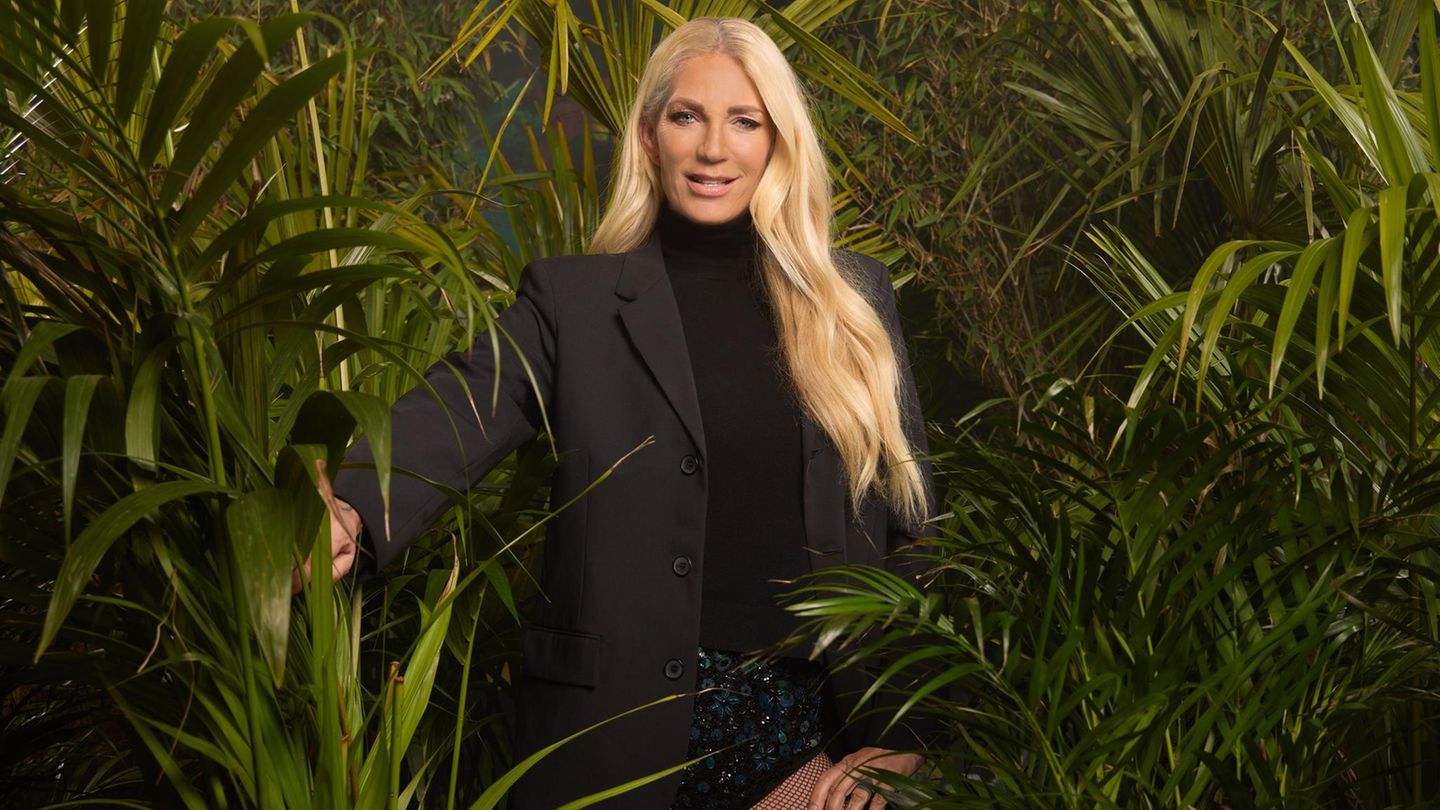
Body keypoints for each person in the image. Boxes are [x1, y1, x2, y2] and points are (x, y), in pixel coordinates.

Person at [305, 16, 943, 809]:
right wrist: (351, 507)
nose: (714, 149)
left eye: (745, 122)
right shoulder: (573, 303)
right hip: (608, 745)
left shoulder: (855, 302)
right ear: (648, 135)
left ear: (779, 142)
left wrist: (906, 733)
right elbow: (462, 407)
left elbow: (914, 533)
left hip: (809, 756)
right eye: (687, 117)